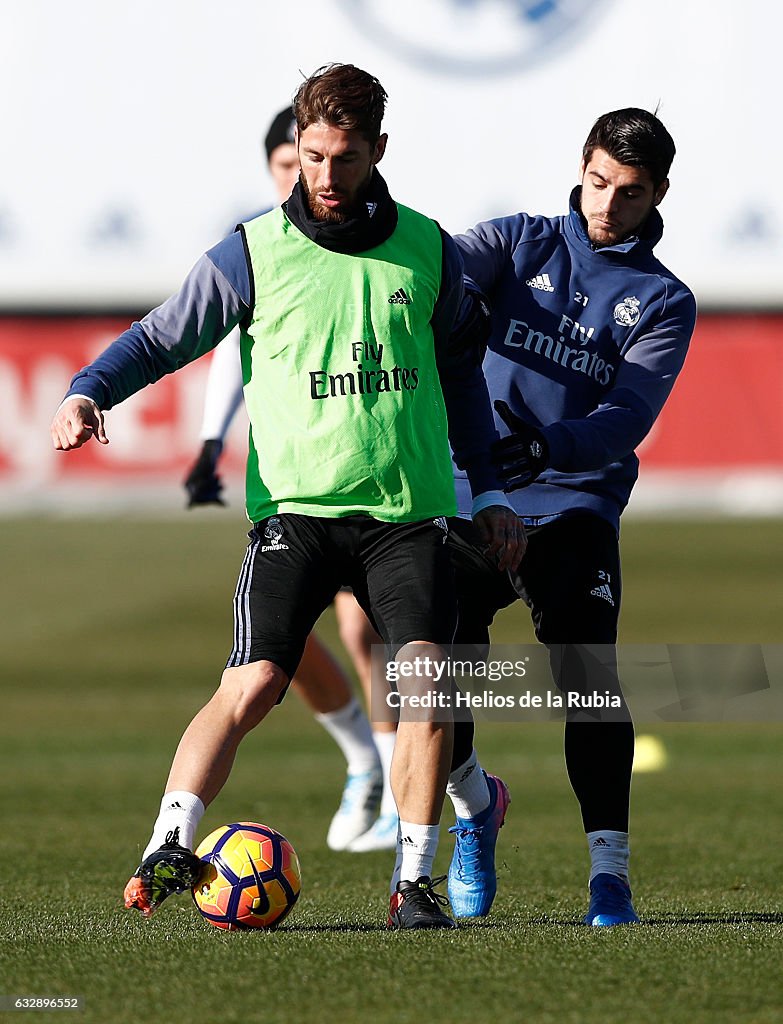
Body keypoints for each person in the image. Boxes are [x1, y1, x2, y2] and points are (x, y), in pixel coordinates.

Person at [50, 63, 523, 930]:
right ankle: (167, 845)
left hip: (406, 519)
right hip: (295, 519)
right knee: (256, 679)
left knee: (422, 686)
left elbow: (462, 383)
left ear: (378, 150)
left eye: (345, 158)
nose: (326, 177)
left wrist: (488, 492)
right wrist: (89, 390)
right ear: (295, 149)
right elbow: (160, 337)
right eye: (311, 157)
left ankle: (412, 883)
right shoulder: (251, 252)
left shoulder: (428, 250)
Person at [448, 107, 696, 926]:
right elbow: (426, 273)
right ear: (581, 166)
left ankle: (609, 876)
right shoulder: (517, 242)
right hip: (470, 494)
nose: (606, 205)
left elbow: (627, 417)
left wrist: (547, 445)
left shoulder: (662, 299)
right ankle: (474, 809)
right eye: (596, 182)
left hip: (573, 502)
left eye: (628, 193)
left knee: (587, 680)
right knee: (429, 674)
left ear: (658, 192)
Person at [184, 106, 392, 853]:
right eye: (292, 163)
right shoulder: (256, 249)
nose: (309, 178)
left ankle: (402, 779)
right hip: (289, 477)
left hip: (371, 475)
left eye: (326, 160)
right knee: (279, 645)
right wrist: (211, 443)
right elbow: (222, 350)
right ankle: (363, 757)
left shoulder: (382, 239)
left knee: (366, 627)